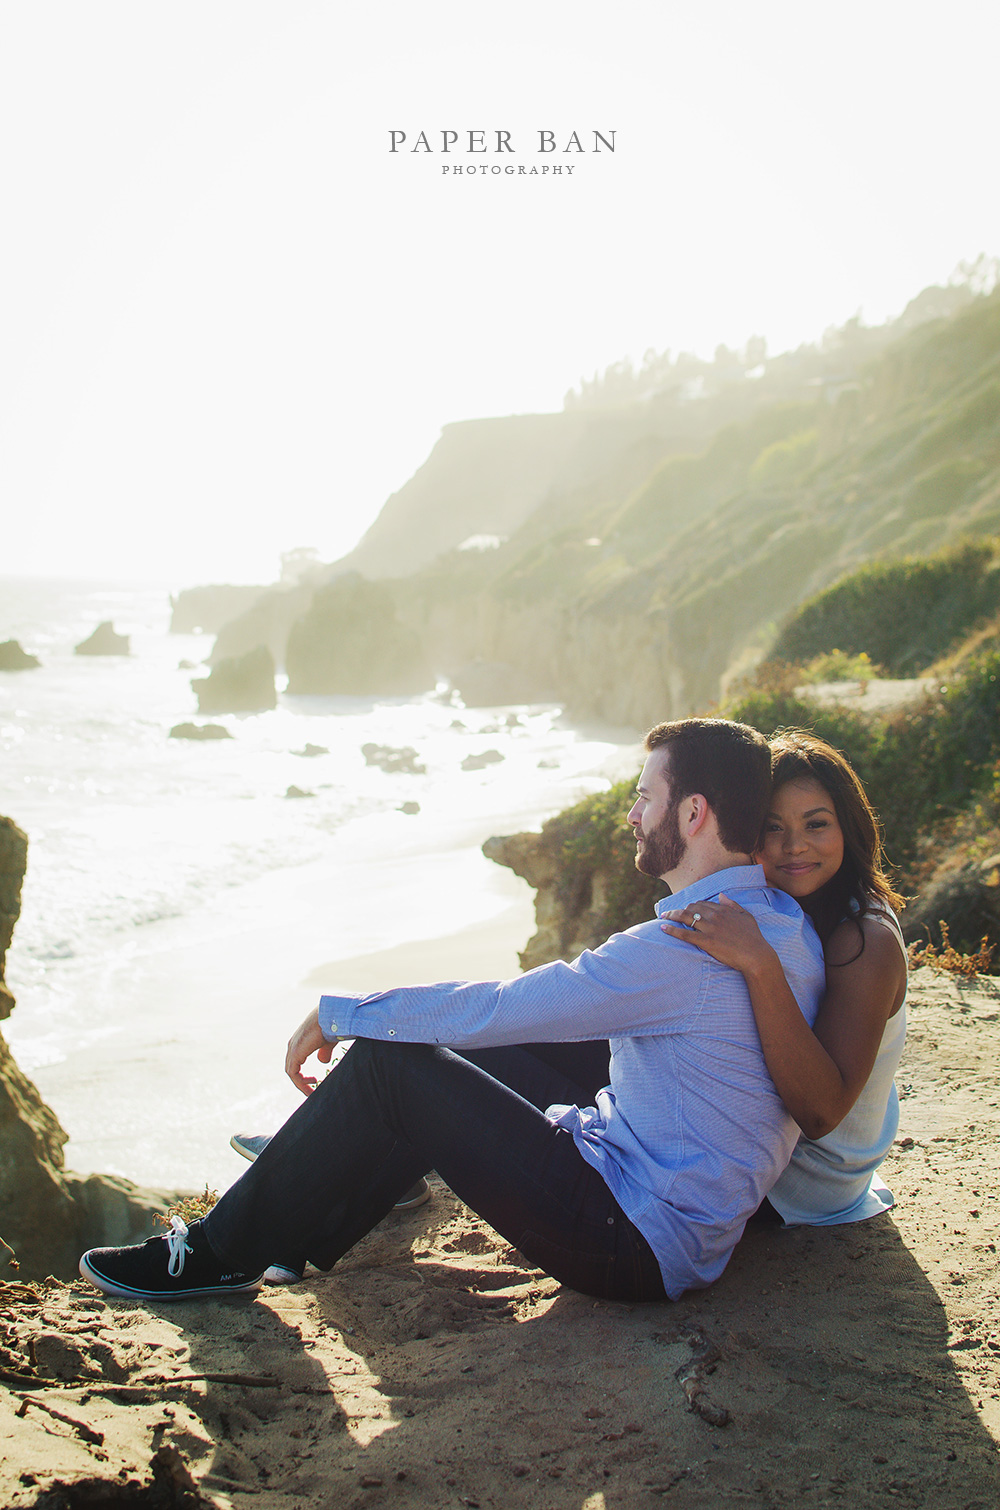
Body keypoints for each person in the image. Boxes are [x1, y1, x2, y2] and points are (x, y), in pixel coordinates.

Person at [79, 717, 825, 1306]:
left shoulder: (686, 946)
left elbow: (502, 1006)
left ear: (692, 812)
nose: (632, 815)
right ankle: (301, 1228)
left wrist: (346, 1012)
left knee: (389, 1066)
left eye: (644, 797)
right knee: (464, 1052)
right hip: (676, 1218)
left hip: (631, 1240)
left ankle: (213, 1256)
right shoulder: (781, 923)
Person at [660, 729, 908, 1226]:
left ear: (850, 828)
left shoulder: (863, 939)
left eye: (816, 824)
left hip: (808, 1182)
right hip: (784, 1151)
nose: (794, 847)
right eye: (772, 828)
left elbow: (821, 1114)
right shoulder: (794, 911)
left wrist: (760, 963)